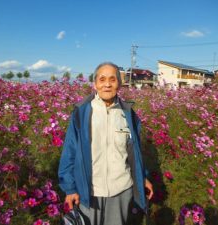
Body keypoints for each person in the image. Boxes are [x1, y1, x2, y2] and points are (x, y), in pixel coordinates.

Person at [58, 62, 153, 225]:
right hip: (89, 192)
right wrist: (70, 188)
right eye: (102, 79)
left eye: (112, 79)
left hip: (121, 190)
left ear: (119, 84)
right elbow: (69, 153)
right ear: (95, 84)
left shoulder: (128, 114)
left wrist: (142, 177)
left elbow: (134, 152)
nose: (107, 84)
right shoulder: (81, 113)